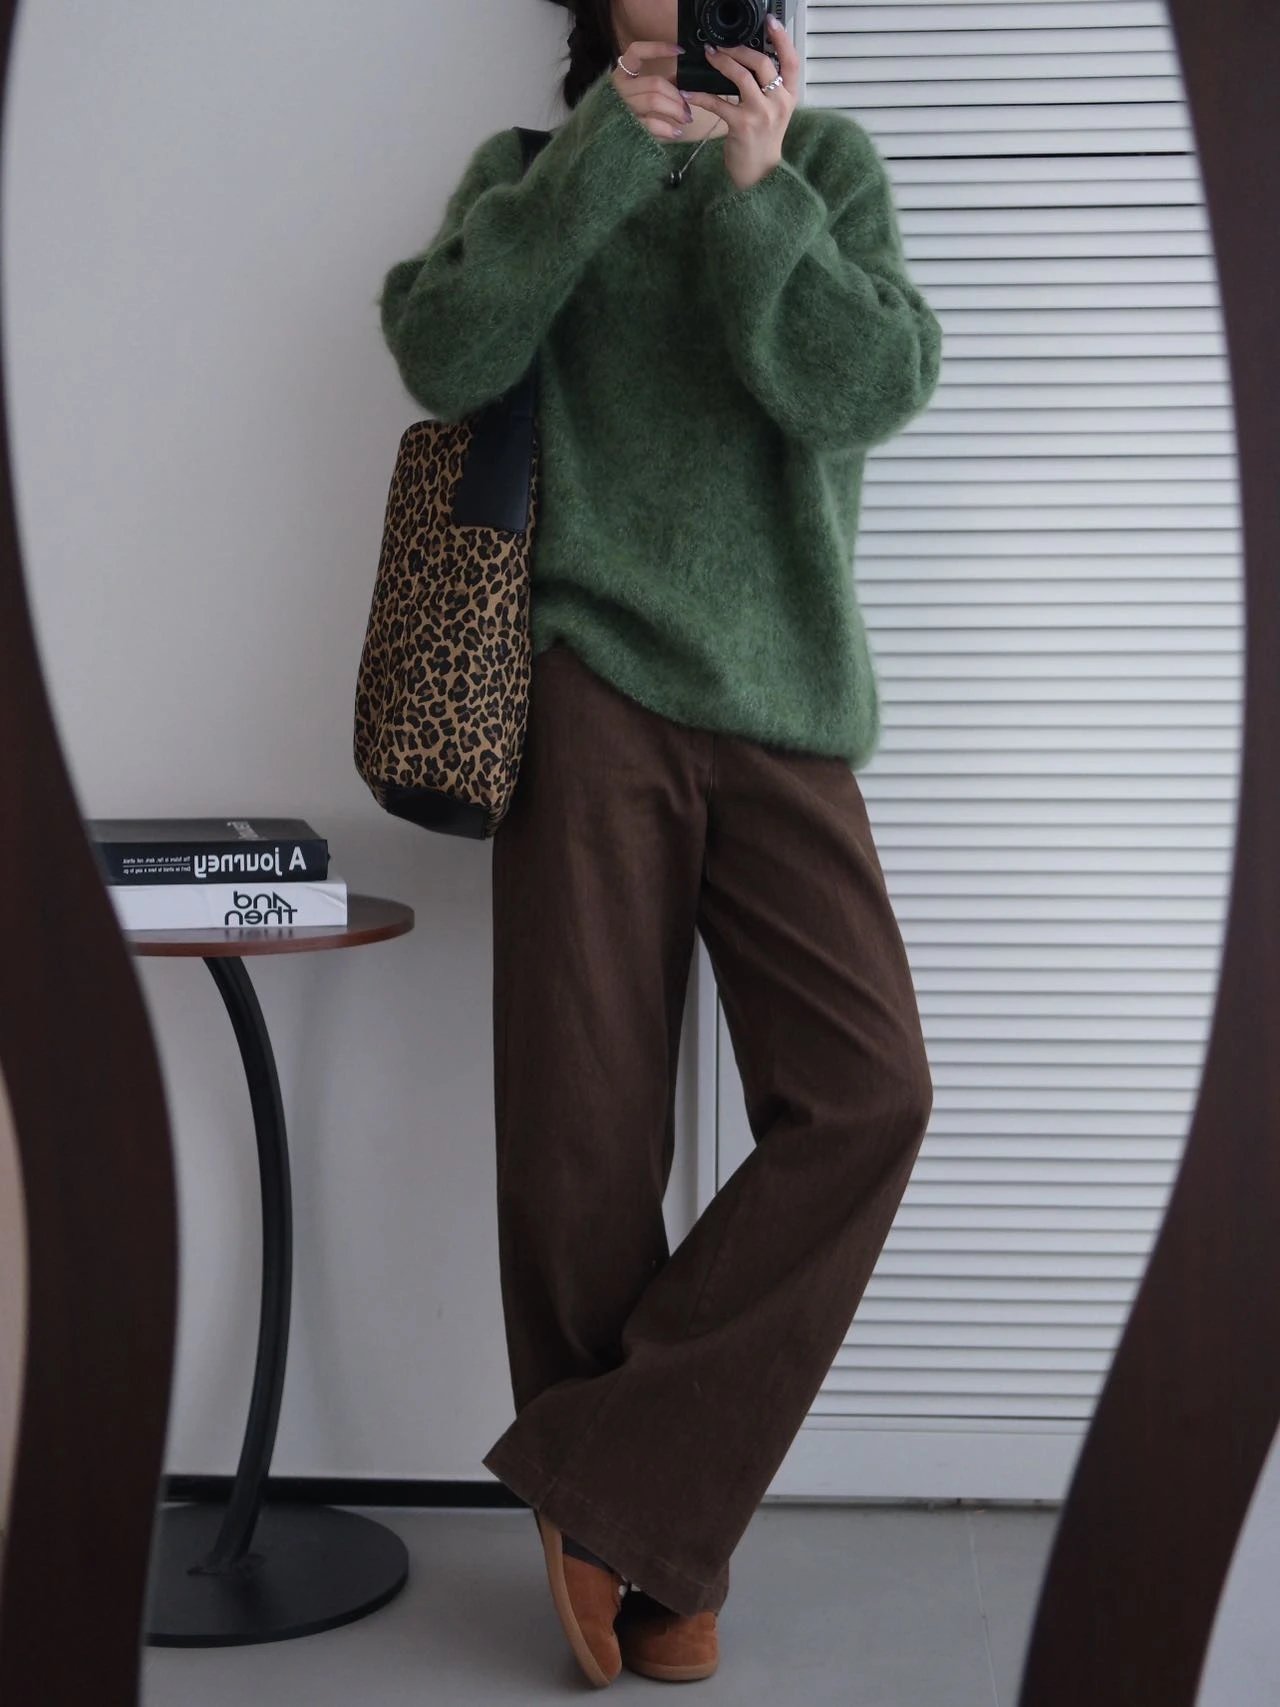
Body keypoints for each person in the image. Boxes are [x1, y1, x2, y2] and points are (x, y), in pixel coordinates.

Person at [377, 0, 943, 1686]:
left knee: (869, 1095)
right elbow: (445, 350)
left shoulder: (826, 164)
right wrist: (602, 162)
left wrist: (762, 191)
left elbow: (869, 388)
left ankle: (618, 1494)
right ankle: (640, 1551)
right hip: (587, 691)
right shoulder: (535, 165)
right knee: (581, 1136)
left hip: (786, 704)